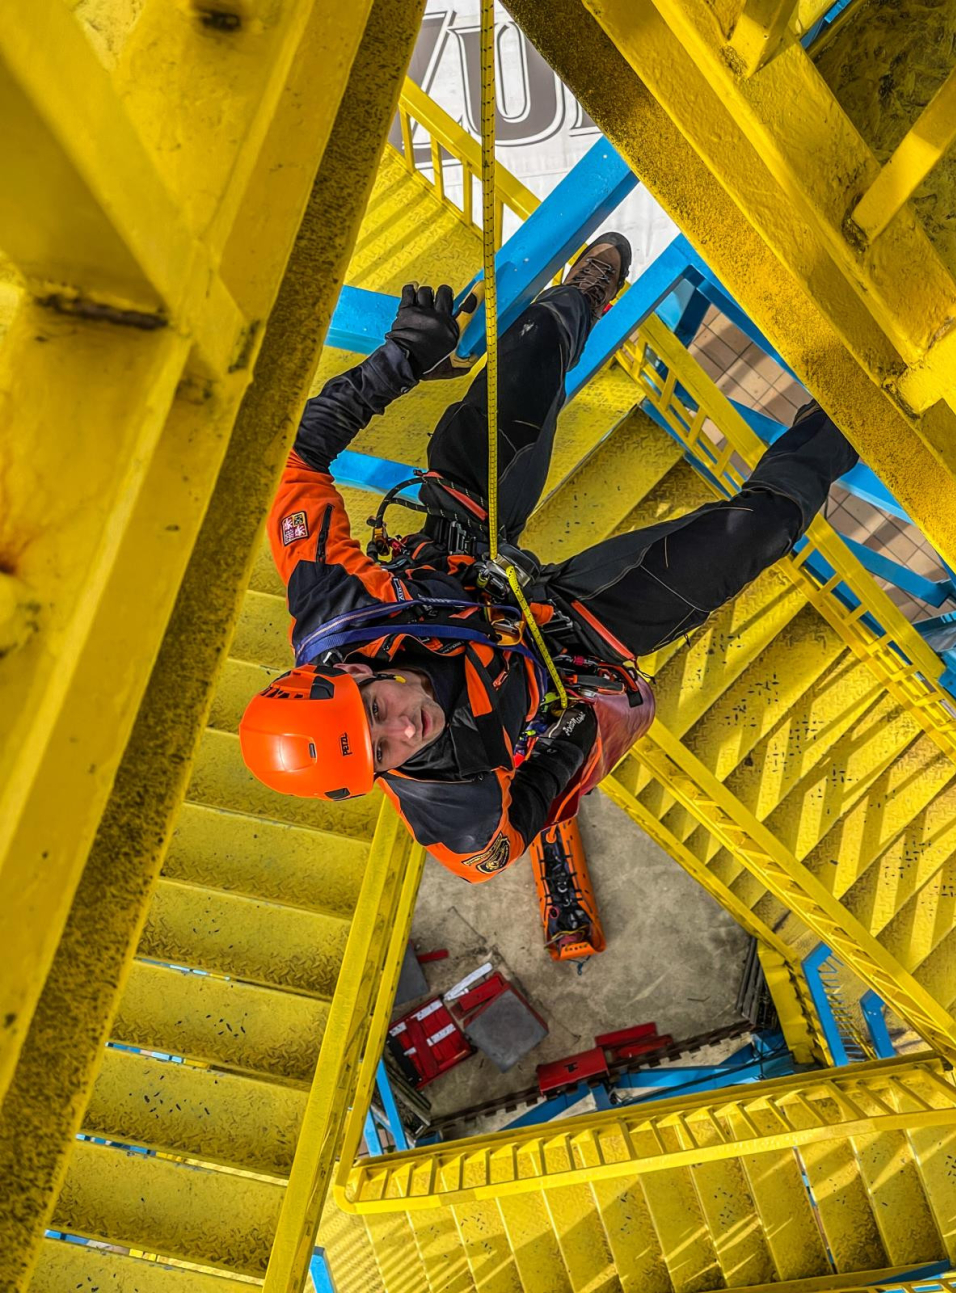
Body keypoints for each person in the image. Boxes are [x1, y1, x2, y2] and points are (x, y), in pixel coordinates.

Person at [239, 234, 858, 882]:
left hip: (460, 547)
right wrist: (576, 737)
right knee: (755, 532)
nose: (406, 727)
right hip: (559, 645)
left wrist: (398, 361)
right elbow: (499, 847)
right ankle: (840, 421)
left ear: (350, 670)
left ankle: (574, 302)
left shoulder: (336, 607)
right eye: (382, 753)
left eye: (374, 711)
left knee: (530, 355)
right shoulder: (452, 805)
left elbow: (292, 462)